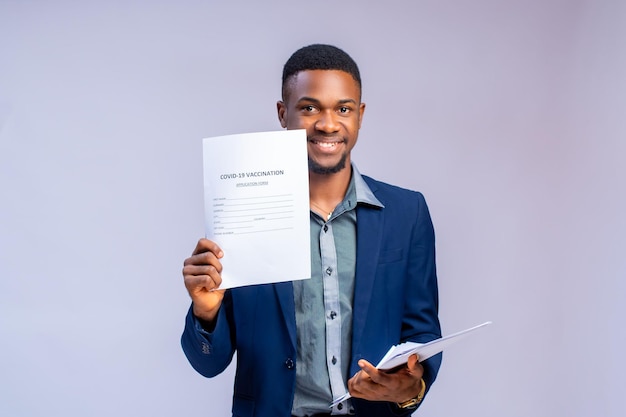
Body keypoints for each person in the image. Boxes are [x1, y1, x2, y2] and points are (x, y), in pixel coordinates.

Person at [181, 44, 442, 417]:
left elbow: (423, 333)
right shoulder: (242, 215)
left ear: (360, 115)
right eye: (309, 108)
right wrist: (205, 312)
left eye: (343, 108)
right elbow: (208, 364)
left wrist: (410, 387)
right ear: (282, 114)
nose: (328, 123)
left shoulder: (407, 213)